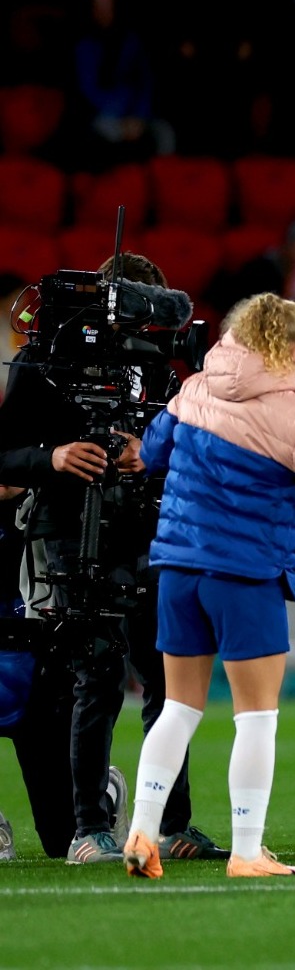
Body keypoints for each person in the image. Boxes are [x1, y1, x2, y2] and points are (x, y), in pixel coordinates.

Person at [123, 294, 295, 879]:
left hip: (177, 571)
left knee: (178, 707)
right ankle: (247, 852)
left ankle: (143, 829)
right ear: (293, 351)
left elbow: (150, 452)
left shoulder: (195, 387)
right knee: (256, 718)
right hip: (244, 577)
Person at [0, 251, 225, 865]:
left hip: (152, 530)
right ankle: (88, 829)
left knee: (164, 677)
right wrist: (54, 457)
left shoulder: (162, 368)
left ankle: (170, 825)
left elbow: (197, 454)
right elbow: (3, 454)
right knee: (96, 675)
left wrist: (149, 456)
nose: (140, 327)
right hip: (75, 531)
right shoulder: (48, 358)